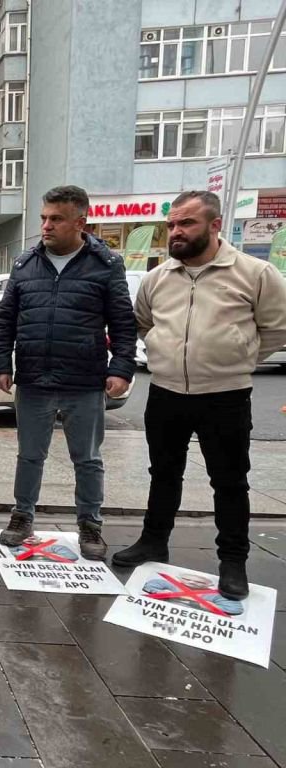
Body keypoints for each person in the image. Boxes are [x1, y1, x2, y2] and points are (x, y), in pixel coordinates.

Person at [113, 191, 286, 599]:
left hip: (225, 395)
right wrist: (164, 350)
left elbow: (277, 328)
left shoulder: (255, 273)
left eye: (186, 223)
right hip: (166, 392)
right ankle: (153, 541)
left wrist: (238, 355)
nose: (176, 231)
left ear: (215, 225)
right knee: (163, 474)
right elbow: (143, 323)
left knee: (229, 482)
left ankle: (233, 561)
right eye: (172, 224)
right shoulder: (157, 278)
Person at [0, 185, 136, 560]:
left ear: (79, 222)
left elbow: (123, 322)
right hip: (34, 378)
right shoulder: (25, 264)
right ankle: (22, 516)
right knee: (29, 455)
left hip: (84, 380)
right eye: (44, 218)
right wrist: (1, 363)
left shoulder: (106, 265)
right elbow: (5, 321)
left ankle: (90, 524)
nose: (46, 226)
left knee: (87, 459)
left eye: (56, 219)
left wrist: (121, 367)